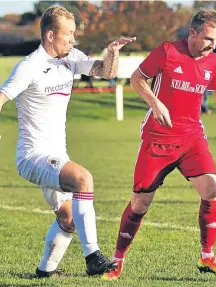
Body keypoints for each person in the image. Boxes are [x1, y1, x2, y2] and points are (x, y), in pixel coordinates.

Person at [101, 8, 216, 281]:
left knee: (212, 190)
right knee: (140, 204)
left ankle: (207, 256)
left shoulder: (213, 61)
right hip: (158, 140)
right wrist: (155, 103)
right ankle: (117, 261)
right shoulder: (167, 52)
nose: (213, 46)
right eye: (208, 39)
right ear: (193, 32)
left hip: (192, 139)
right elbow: (136, 78)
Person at [0, 6, 136, 278]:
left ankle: (45, 272)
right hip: (32, 157)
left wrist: (112, 53)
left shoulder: (70, 57)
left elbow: (105, 72)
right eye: (68, 34)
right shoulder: (29, 66)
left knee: (68, 219)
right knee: (83, 179)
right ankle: (93, 256)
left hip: (56, 156)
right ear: (50, 35)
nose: (73, 40)